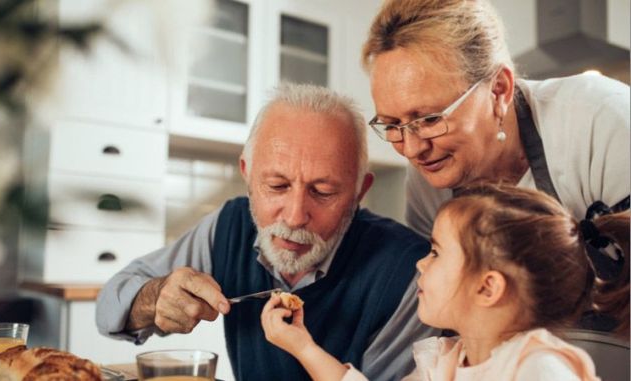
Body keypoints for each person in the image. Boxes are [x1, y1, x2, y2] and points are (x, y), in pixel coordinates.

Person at [95, 83, 436, 381]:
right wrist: (154, 297)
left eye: (323, 192)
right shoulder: (228, 227)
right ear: (247, 173)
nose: (294, 216)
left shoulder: (409, 274)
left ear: (360, 191)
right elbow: (109, 306)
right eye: (277, 185)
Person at [261, 184, 629, 381]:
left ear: (487, 288)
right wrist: (303, 346)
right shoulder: (447, 362)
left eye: (436, 252)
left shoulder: (538, 370)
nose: (421, 263)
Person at [360, 0, 630, 238]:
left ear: (499, 90)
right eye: (393, 125)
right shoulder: (428, 183)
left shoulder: (600, 121)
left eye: (430, 120)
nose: (412, 149)